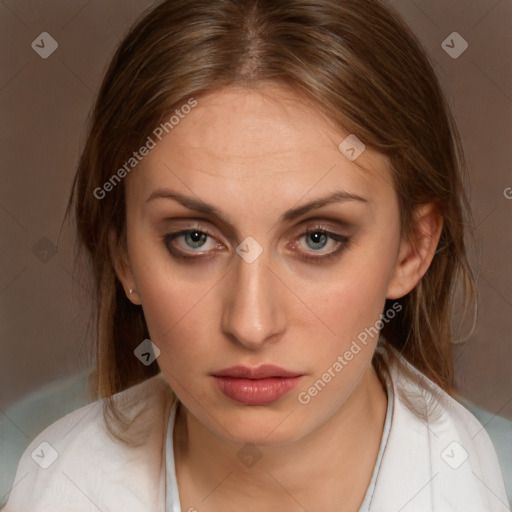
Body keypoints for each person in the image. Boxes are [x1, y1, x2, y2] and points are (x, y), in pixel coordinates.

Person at [3, 0, 509, 510]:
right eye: (194, 238)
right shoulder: (33, 477)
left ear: (412, 250)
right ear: (124, 257)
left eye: (318, 238)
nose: (251, 324)